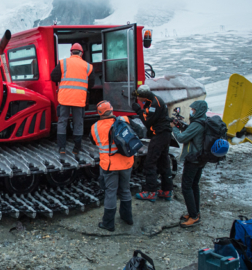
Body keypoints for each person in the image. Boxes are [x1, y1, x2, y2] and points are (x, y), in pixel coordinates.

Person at [90, 101, 134, 232]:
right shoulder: (124, 120)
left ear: (99, 113)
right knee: (125, 190)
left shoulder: (95, 127)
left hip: (109, 165)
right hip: (126, 163)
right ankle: (128, 218)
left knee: (111, 193)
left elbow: (94, 141)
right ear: (112, 109)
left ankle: (108, 224)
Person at [50, 43, 94, 158]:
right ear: (81, 53)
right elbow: (92, 84)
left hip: (64, 98)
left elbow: (53, 76)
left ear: (71, 52)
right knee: (78, 123)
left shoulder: (63, 63)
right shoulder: (88, 66)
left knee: (62, 122)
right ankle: (76, 148)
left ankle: (62, 148)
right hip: (79, 99)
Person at [131, 84, 174, 202]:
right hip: (164, 135)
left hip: (160, 135)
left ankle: (150, 192)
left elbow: (147, 121)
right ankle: (167, 190)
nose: (138, 99)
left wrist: (138, 110)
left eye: (139, 97)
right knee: (163, 162)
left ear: (144, 97)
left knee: (150, 163)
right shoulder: (153, 100)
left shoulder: (154, 104)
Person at [170, 100, 208, 228]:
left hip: (193, 159)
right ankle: (195, 213)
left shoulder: (197, 124)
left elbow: (181, 138)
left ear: (199, 111)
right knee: (194, 186)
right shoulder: (204, 121)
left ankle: (193, 217)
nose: (192, 112)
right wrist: (182, 126)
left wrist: (174, 128)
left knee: (186, 187)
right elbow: (191, 133)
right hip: (201, 158)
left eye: (193, 110)